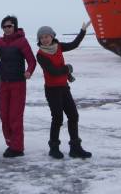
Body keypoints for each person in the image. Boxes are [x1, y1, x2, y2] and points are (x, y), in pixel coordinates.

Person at [36, 22, 93, 159]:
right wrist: (67, 69)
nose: (45, 39)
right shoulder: (40, 54)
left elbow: (74, 44)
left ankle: (75, 148)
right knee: (57, 118)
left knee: (73, 116)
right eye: (42, 37)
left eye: (47, 36)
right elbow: (53, 71)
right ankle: (54, 148)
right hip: (52, 90)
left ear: (52, 36)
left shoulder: (59, 46)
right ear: (39, 40)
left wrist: (83, 31)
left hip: (64, 88)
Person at [0, 15, 37, 157]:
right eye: (4, 26)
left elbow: (32, 61)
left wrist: (29, 71)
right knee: (4, 116)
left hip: (18, 84)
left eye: (9, 26)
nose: (7, 29)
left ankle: (17, 148)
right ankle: (10, 143)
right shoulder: (0, 42)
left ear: (15, 26)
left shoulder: (22, 41)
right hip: (4, 84)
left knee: (15, 116)